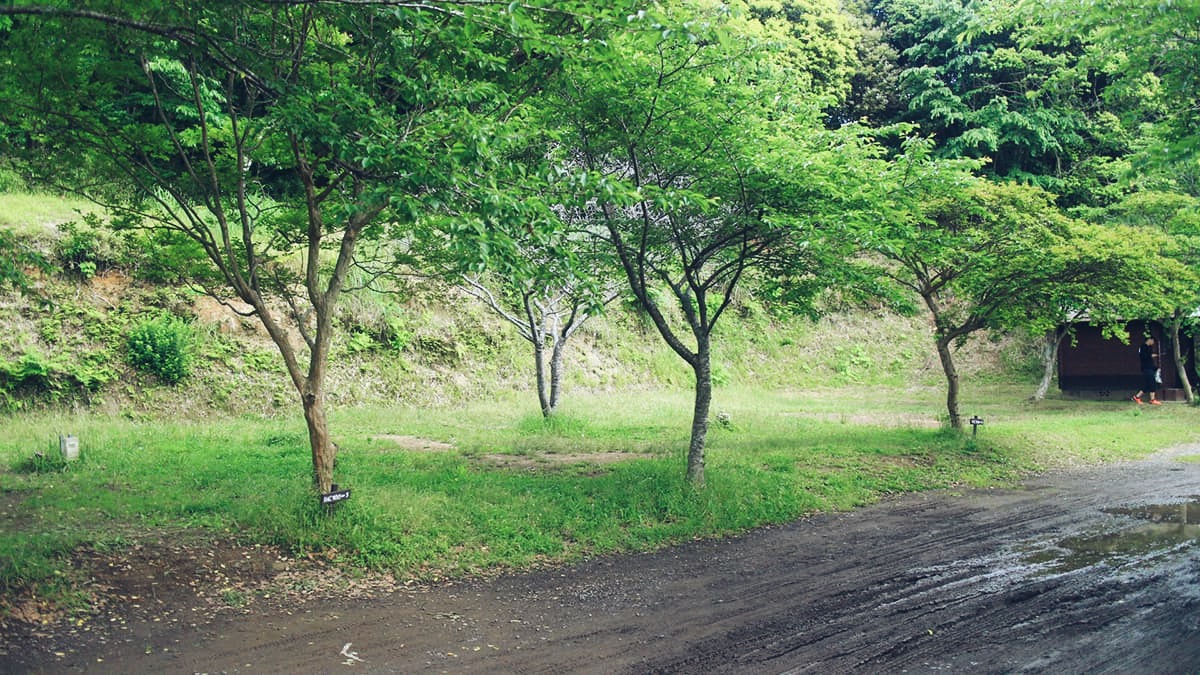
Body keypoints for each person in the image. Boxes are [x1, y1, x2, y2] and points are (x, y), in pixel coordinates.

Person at [1132, 336, 1162, 405]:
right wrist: (1151, 355)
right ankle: (1152, 399)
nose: (1153, 343)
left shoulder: (1149, 347)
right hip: (1146, 368)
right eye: (1153, 341)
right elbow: (1144, 357)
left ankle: (1136, 397)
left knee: (1147, 384)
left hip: (1150, 367)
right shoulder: (1143, 347)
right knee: (1152, 382)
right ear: (1149, 340)